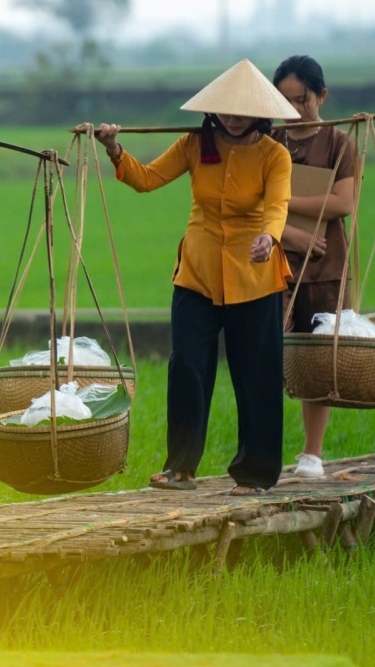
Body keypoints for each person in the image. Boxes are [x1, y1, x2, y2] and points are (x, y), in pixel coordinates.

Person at [92, 59, 298, 495]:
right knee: (186, 366)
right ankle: (180, 468)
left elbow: (278, 205)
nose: (233, 116)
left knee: (256, 373)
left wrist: (270, 236)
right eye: (226, 109)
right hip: (197, 275)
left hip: (254, 276)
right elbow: (146, 179)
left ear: (261, 112)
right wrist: (114, 150)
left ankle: (256, 474)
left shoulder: (274, 155)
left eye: (243, 110)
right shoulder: (193, 144)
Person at [271, 55, 359, 479]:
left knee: (318, 357)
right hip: (270, 260)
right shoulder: (269, 142)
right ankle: (263, 449)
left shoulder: (340, 143)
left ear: (321, 95)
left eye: (301, 99)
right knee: (269, 353)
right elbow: (249, 204)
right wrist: (287, 230)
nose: (294, 109)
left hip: (326, 261)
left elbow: (343, 203)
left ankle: (312, 453)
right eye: (284, 101)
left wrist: (281, 205)